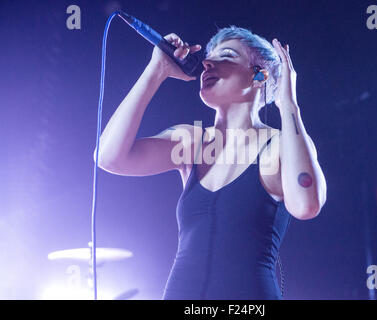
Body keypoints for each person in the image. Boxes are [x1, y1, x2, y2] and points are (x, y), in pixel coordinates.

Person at [95, 25, 327, 299]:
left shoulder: (278, 145)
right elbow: (109, 157)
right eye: (208, 57)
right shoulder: (192, 143)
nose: (206, 63)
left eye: (225, 56)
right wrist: (155, 71)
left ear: (259, 75)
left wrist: (288, 104)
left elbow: (306, 204)